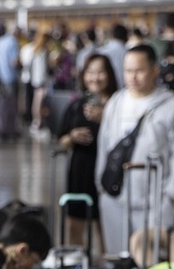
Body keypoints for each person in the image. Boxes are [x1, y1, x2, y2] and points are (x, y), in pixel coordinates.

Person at [94, 44, 174, 256]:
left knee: (152, 260)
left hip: (156, 199)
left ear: (155, 70)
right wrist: (101, 185)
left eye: (139, 71)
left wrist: (172, 193)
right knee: (118, 256)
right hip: (115, 197)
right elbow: (105, 146)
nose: (133, 77)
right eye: (128, 71)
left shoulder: (171, 105)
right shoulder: (116, 103)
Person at [57, 53, 118, 250]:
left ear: (109, 75)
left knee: (107, 224)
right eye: (90, 72)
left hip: (109, 170)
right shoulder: (76, 105)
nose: (95, 77)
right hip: (80, 169)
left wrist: (105, 118)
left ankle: (109, 266)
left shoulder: (119, 104)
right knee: (75, 222)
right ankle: (77, 266)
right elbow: (62, 140)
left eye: (100, 72)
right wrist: (71, 137)